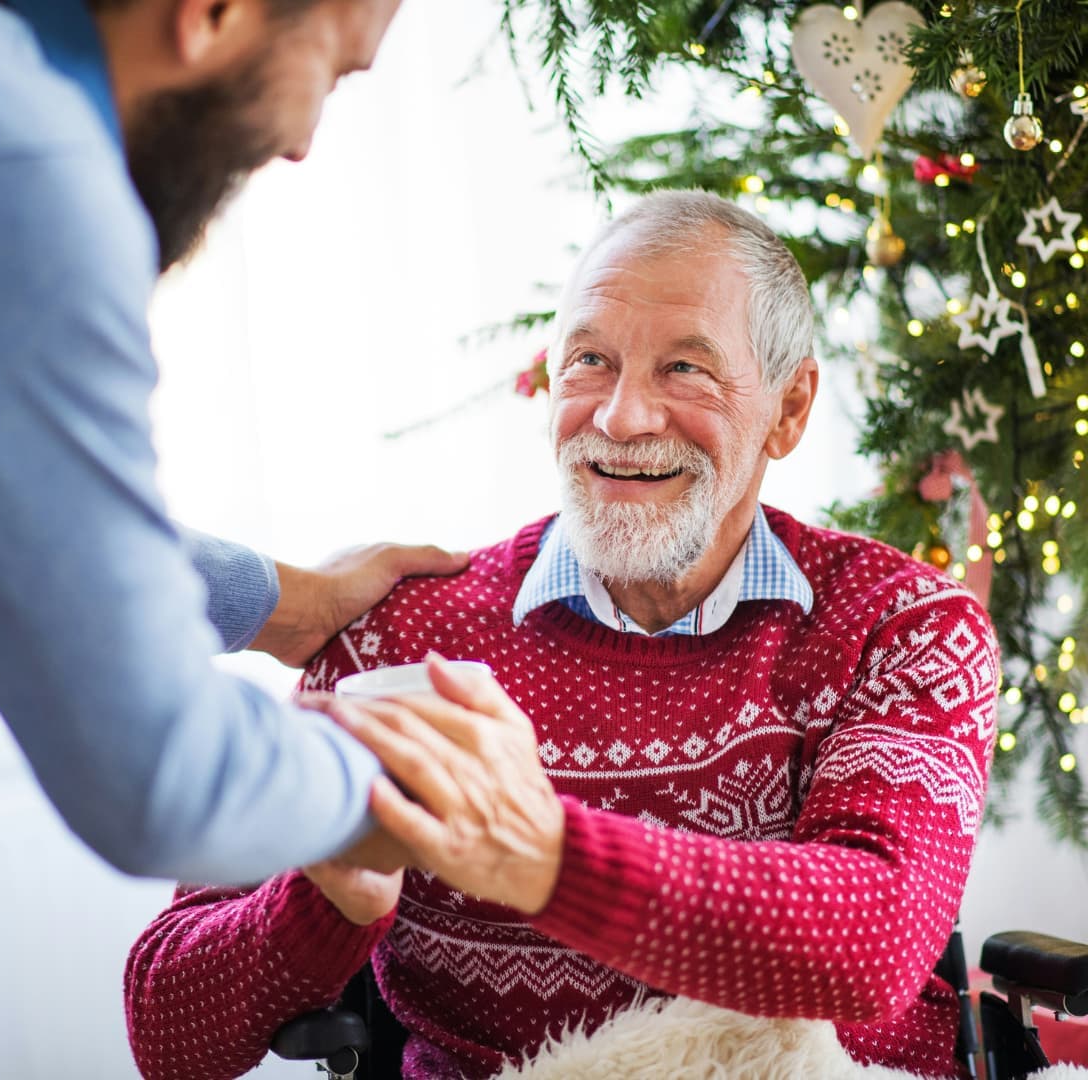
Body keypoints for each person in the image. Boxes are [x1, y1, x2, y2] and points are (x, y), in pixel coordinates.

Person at [125, 190, 998, 1079]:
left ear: (789, 407)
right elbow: (165, 1032)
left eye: (685, 370)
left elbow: (878, 941)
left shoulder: (901, 624)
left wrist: (538, 854)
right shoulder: (397, 640)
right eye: (590, 360)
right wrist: (328, 904)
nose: (621, 418)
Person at [0, 0, 468, 885]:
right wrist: (408, 779)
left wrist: (285, 604)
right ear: (214, 13)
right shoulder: (10, 167)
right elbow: (166, 779)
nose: (303, 142)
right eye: (332, 73)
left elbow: (33, 504)